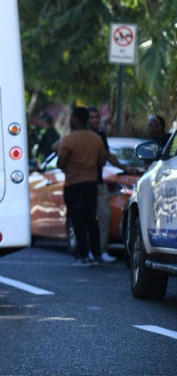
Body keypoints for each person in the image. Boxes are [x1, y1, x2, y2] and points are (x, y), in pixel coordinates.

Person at [57, 106, 105, 266]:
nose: (70, 120)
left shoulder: (68, 140)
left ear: (76, 119)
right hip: (91, 183)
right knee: (92, 219)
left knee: (77, 220)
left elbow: (61, 162)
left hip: (73, 184)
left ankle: (83, 255)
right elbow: (102, 161)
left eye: (71, 117)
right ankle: (97, 254)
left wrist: (68, 166)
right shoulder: (96, 139)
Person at [87, 106, 126, 264]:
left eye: (97, 117)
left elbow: (107, 155)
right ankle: (87, 251)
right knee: (87, 218)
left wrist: (124, 168)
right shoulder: (80, 134)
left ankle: (101, 250)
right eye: (91, 117)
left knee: (105, 215)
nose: (95, 120)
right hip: (83, 182)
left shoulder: (101, 134)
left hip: (99, 181)